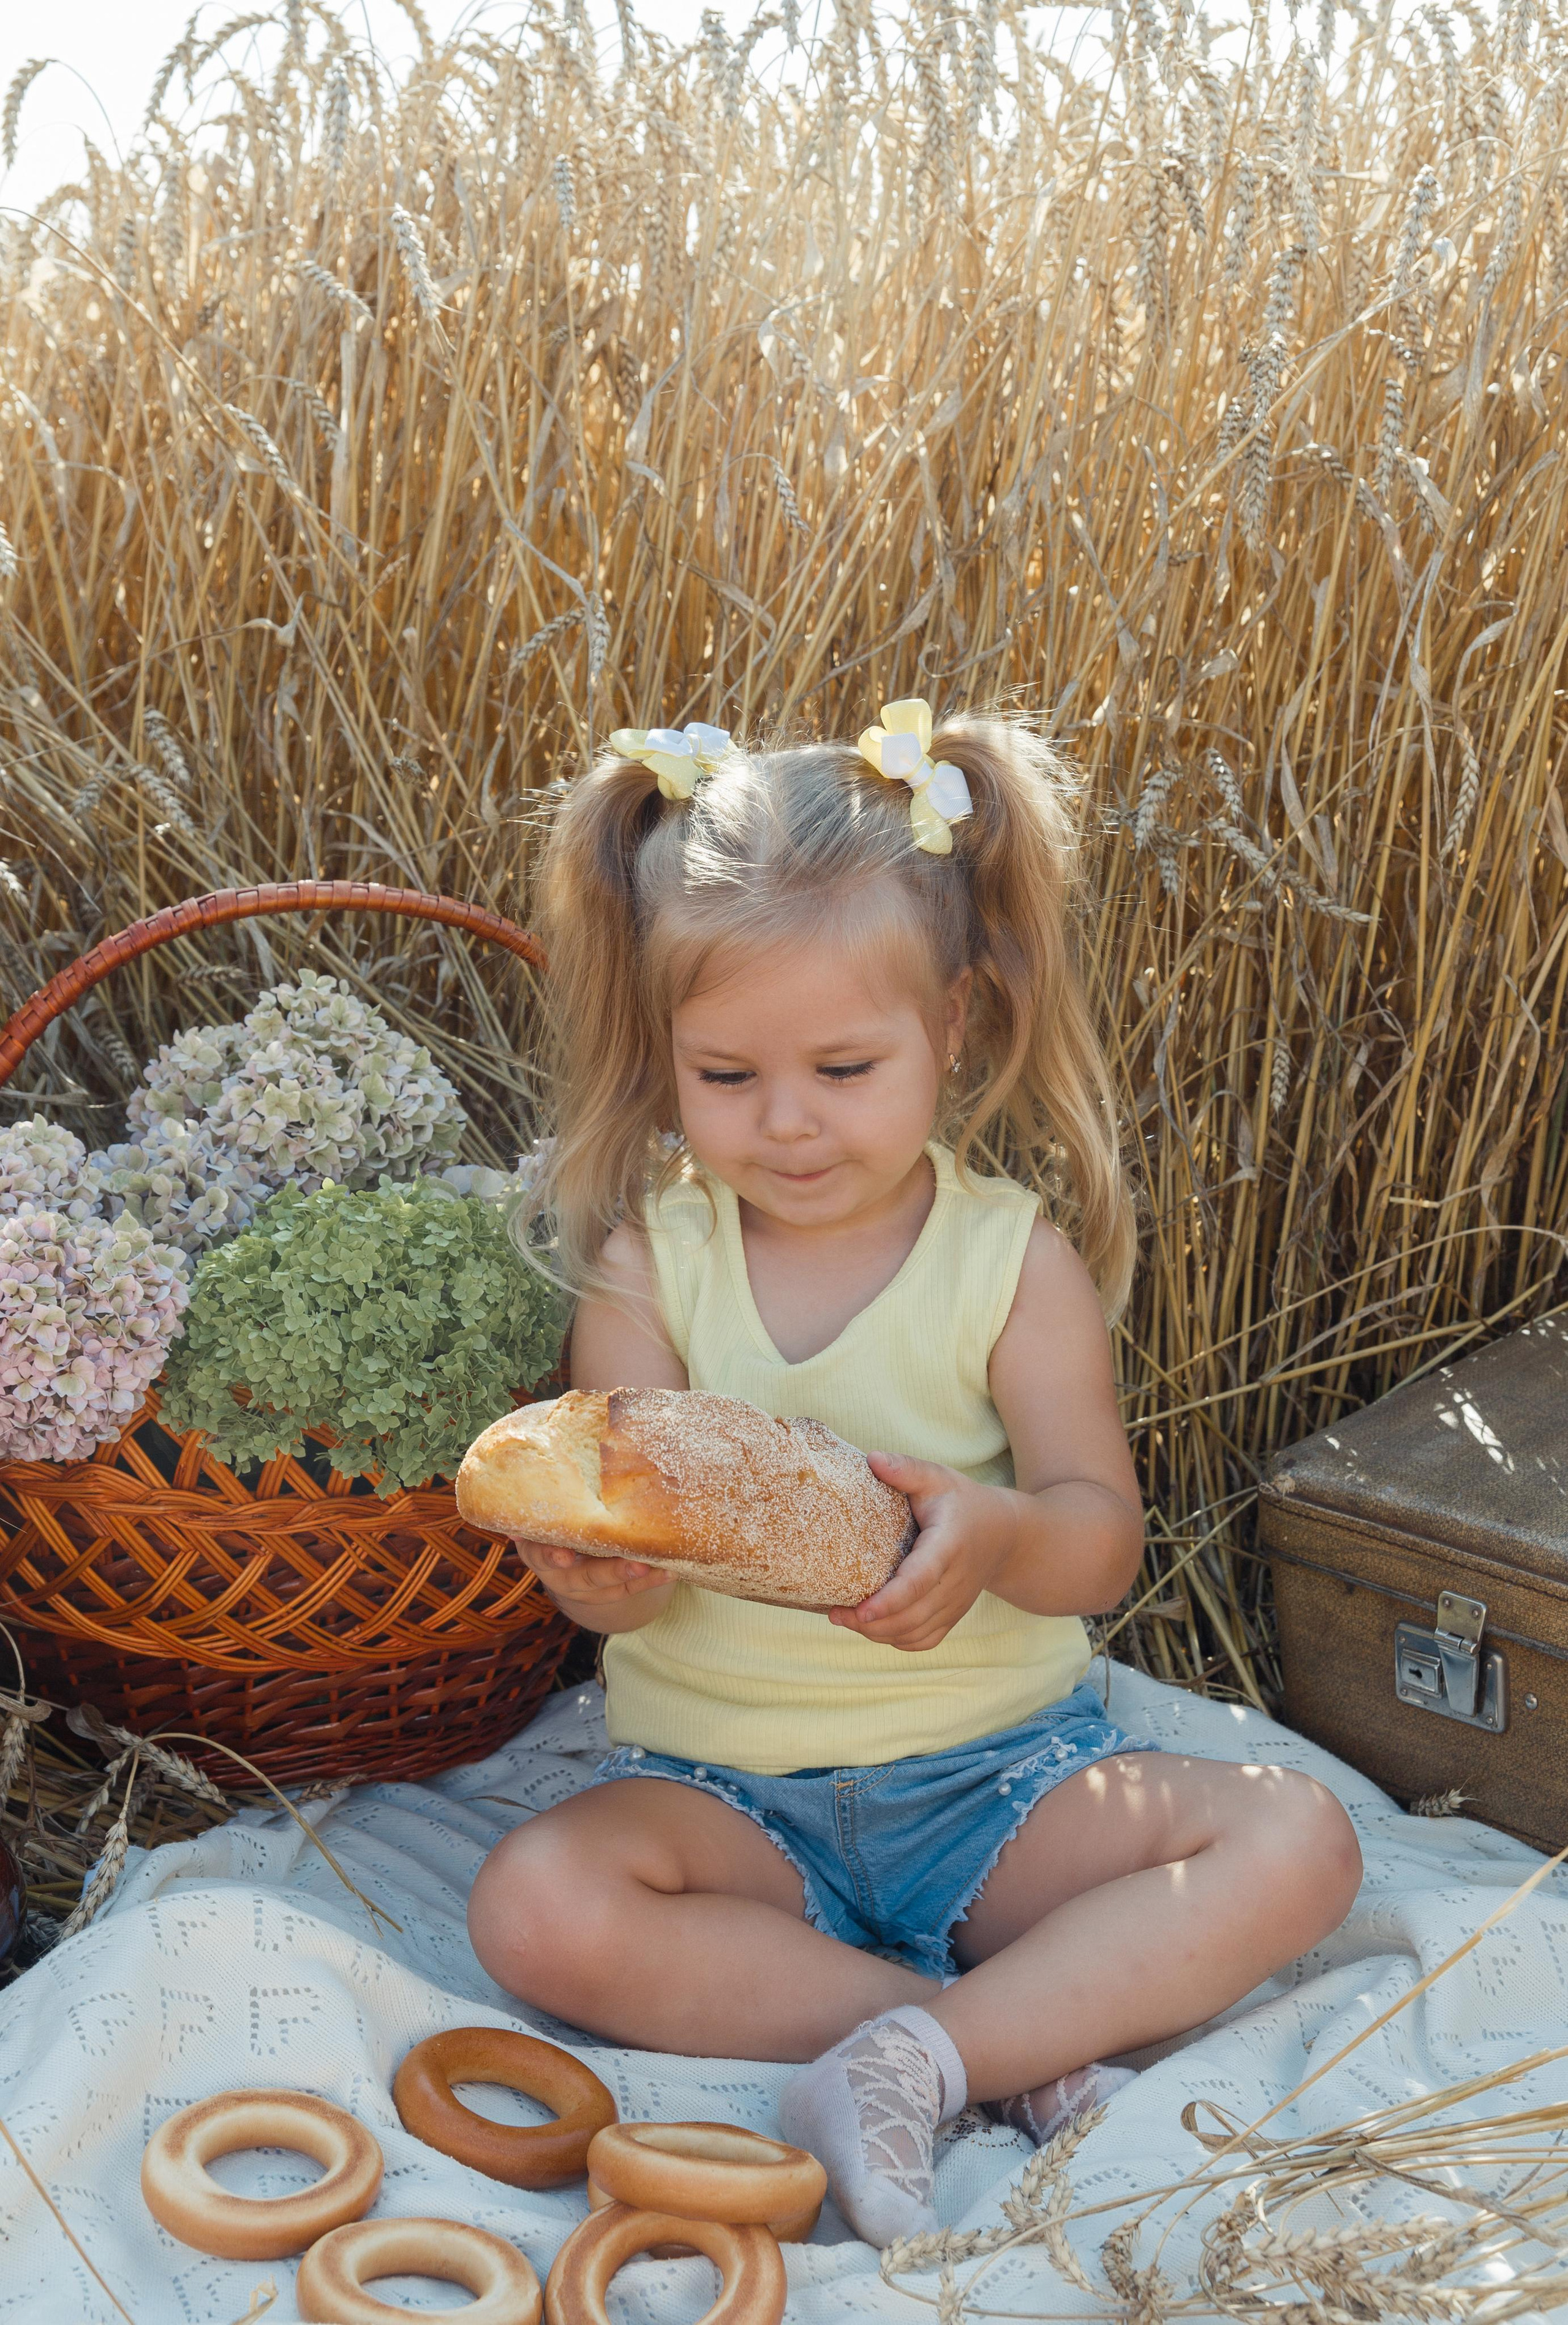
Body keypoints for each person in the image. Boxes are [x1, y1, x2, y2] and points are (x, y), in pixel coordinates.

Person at [467, 701, 1362, 2245]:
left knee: (1302, 1839)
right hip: (724, 1800)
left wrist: (996, 1527)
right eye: (726, 1072)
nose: (789, 1118)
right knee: (533, 1906)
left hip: (995, 1779)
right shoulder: (646, 1266)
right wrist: (601, 1581)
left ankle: (922, 2054)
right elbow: (628, 1546)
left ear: (950, 1025)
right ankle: (989, 2039)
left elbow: (1095, 1542)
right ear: (664, 1050)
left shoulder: (1008, 1263)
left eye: (842, 1063)